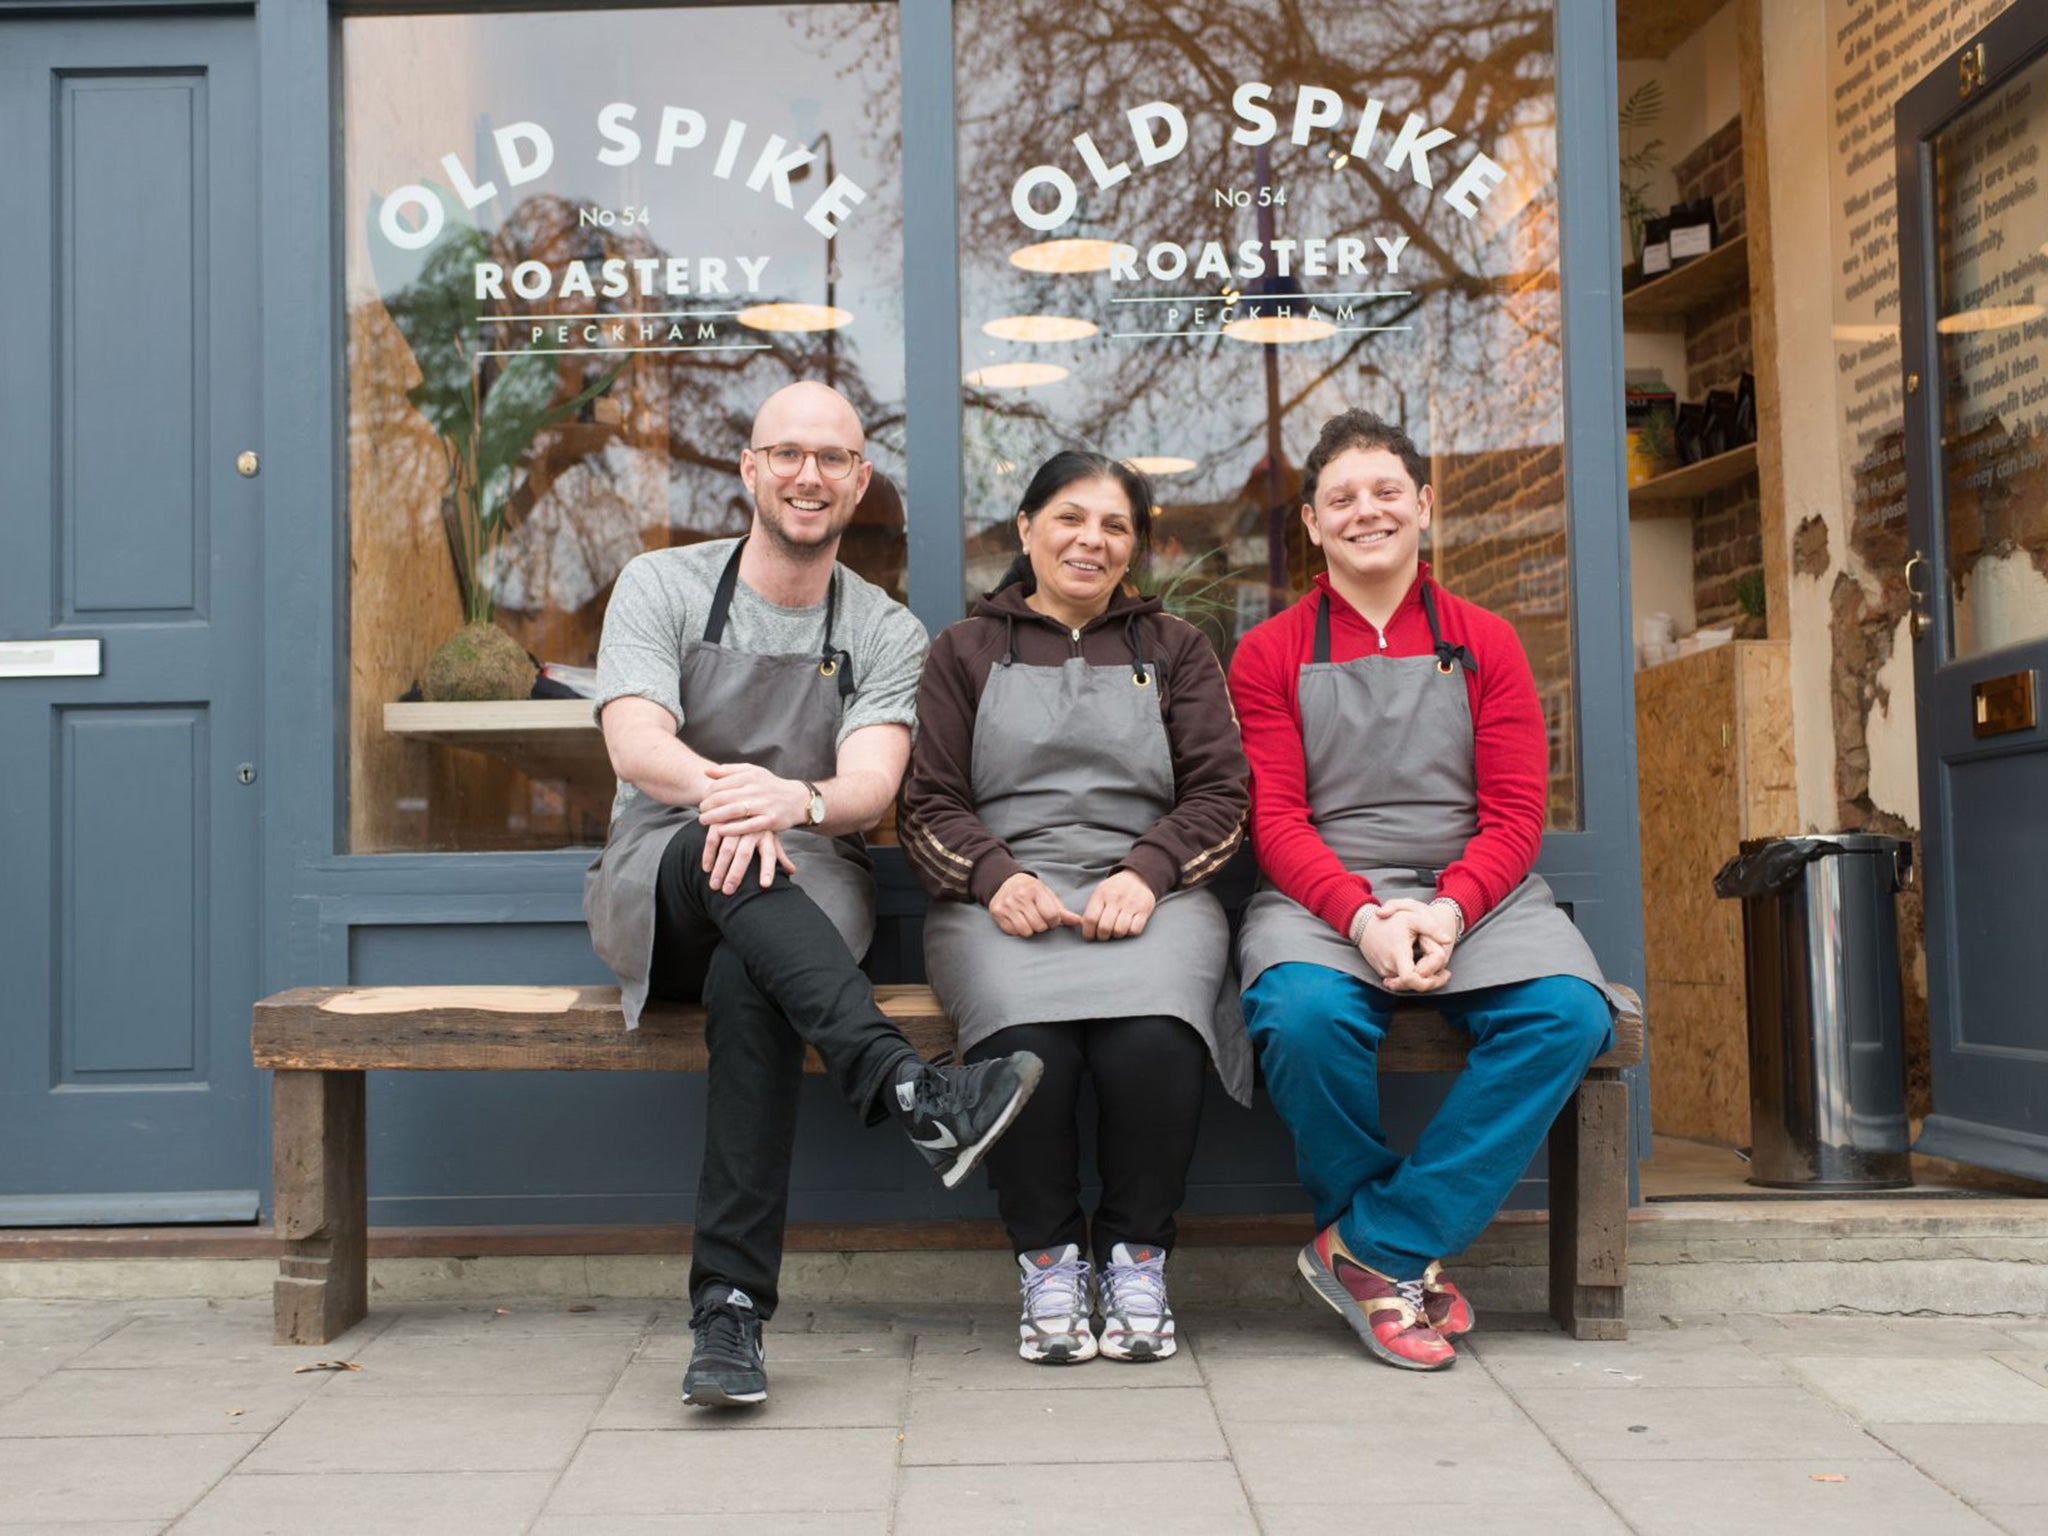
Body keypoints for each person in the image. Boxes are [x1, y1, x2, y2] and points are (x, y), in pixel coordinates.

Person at [583, 381, 1043, 1408]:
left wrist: (793, 799)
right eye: (785, 453)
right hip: (659, 870)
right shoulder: (659, 584)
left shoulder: (883, 630)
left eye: (831, 459)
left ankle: (729, 1319)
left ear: (858, 482)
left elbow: (870, 785)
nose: (807, 475)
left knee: (757, 979)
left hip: (810, 879)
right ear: (748, 469)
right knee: (727, 859)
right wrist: (731, 801)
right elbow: (634, 743)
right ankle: (911, 1088)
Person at [1228, 409, 1620, 1372]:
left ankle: (1379, 1245)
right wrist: (1362, 919)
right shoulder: (1269, 653)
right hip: (1324, 895)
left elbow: (1517, 815)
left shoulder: (1488, 642)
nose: (1367, 512)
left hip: (1475, 892)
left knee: (1570, 1014)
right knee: (1300, 1013)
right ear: (1313, 526)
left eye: (1386, 491)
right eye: (1341, 499)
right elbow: (1275, 823)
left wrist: (1446, 909)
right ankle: (1393, 1259)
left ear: (1425, 507)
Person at [899, 451, 1251, 1364]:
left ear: (1134, 548)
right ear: (1025, 529)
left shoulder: (1175, 649)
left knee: (1154, 1039)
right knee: (1030, 1051)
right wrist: (993, 877)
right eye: (1068, 517)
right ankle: (1049, 1257)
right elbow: (928, 803)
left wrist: (1147, 871)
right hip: (1000, 897)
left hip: (1154, 892)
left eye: (1115, 525)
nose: (1090, 540)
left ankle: (1136, 1255)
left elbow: (1220, 796)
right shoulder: (963, 652)